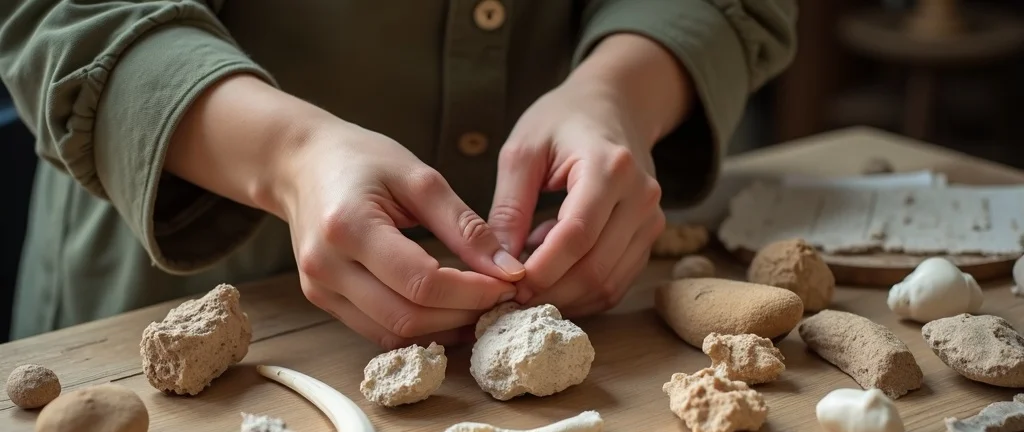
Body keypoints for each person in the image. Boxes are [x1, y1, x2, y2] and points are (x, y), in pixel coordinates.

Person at [0, 1, 797, 349]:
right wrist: (290, 156)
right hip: (173, 291)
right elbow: (58, 10)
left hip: (586, 287)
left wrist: (619, 89)